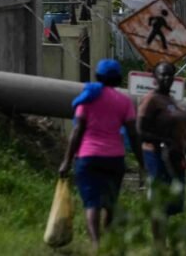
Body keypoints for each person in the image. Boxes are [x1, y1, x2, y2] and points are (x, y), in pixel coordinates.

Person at [59, 59, 144, 249]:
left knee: (92, 203)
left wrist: (66, 161)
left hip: (88, 156)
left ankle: (96, 244)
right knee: (110, 201)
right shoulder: (124, 102)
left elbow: (78, 130)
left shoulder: (88, 97)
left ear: (98, 76)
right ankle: (107, 237)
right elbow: (133, 133)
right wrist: (142, 162)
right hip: (114, 159)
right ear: (118, 79)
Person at [138, 62, 186, 235]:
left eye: (169, 74)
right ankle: (159, 245)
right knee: (159, 202)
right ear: (155, 77)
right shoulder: (151, 99)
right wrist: (164, 141)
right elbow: (140, 131)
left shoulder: (171, 100)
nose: (166, 78)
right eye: (162, 74)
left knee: (171, 204)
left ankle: (164, 242)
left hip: (175, 157)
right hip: (157, 157)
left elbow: (181, 135)